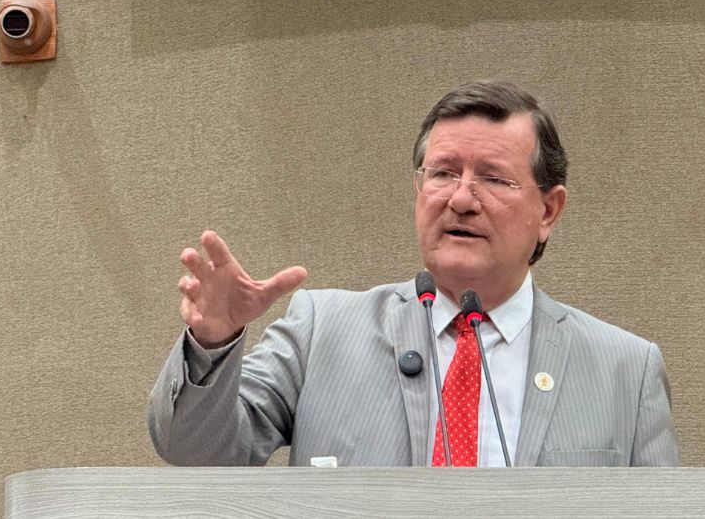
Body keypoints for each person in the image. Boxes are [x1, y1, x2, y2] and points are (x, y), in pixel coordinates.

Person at [148, 81, 678, 467]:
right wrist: (212, 342)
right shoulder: (322, 329)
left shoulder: (625, 370)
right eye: (443, 173)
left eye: (494, 179)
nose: (461, 199)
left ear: (548, 211)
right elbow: (193, 451)